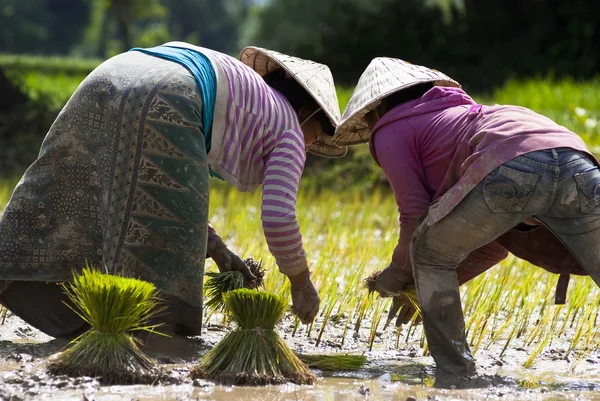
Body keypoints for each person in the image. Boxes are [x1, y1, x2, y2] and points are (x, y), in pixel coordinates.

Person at [0, 42, 347, 339]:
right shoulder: (289, 129)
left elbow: (176, 194)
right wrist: (300, 282)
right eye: (315, 136)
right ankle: (148, 339)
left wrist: (219, 251)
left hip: (111, 74)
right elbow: (279, 216)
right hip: (171, 94)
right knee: (161, 278)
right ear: (305, 113)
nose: (308, 146)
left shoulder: (249, 100)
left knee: (66, 193)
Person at [333, 57, 600, 378]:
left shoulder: (389, 128)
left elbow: (414, 214)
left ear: (374, 111)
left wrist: (398, 272)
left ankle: (456, 373)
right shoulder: (465, 115)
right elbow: (492, 246)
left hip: (508, 167)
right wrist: (422, 291)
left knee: (427, 252)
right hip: (578, 160)